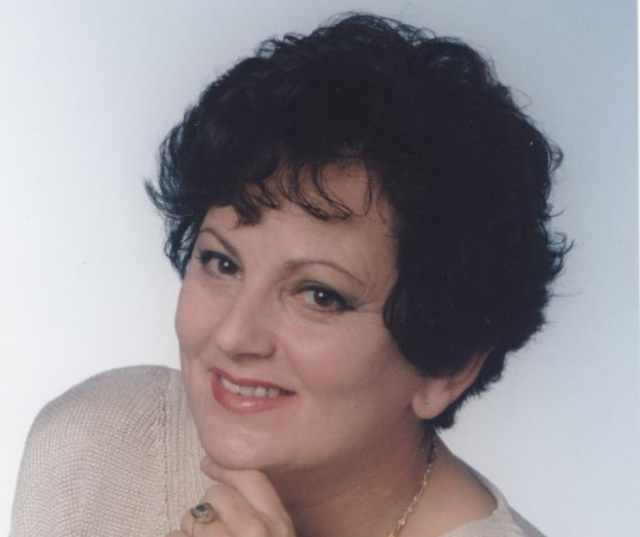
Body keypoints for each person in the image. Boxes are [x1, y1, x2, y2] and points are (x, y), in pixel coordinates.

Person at [10, 13, 568, 537]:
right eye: (222, 263)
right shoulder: (102, 440)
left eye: (319, 296)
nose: (234, 336)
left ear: (447, 367)